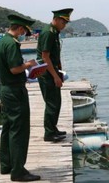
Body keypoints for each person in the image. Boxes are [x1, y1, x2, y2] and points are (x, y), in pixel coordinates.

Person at [0, 14, 41, 181]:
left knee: (7, 128)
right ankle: (18, 171)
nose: (23, 34)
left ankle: (6, 165)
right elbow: (15, 69)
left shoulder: (1, 42)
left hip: (5, 90)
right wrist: (29, 64)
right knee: (19, 130)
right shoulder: (12, 44)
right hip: (15, 91)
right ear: (20, 28)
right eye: (24, 31)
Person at [36, 8, 73, 142]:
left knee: (56, 102)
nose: (64, 26)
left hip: (53, 70)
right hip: (46, 72)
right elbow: (45, 56)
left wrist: (60, 71)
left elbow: (55, 55)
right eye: (63, 23)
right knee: (52, 103)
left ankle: (53, 128)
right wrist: (55, 76)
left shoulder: (54, 32)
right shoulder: (48, 33)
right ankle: (49, 133)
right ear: (56, 20)